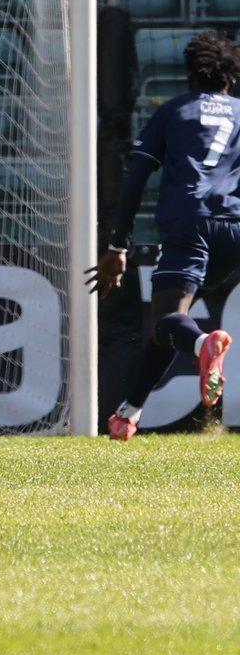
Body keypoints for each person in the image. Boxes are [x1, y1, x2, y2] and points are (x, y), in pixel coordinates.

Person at [90, 31, 240, 439]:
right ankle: (128, 413)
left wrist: (116, 245)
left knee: (168, 321)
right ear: (232, 77)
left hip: (188, 223)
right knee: (173, 319)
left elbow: (135, 178)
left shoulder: (175, 111)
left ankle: (204, 346)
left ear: (191, 73)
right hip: (233, 230)